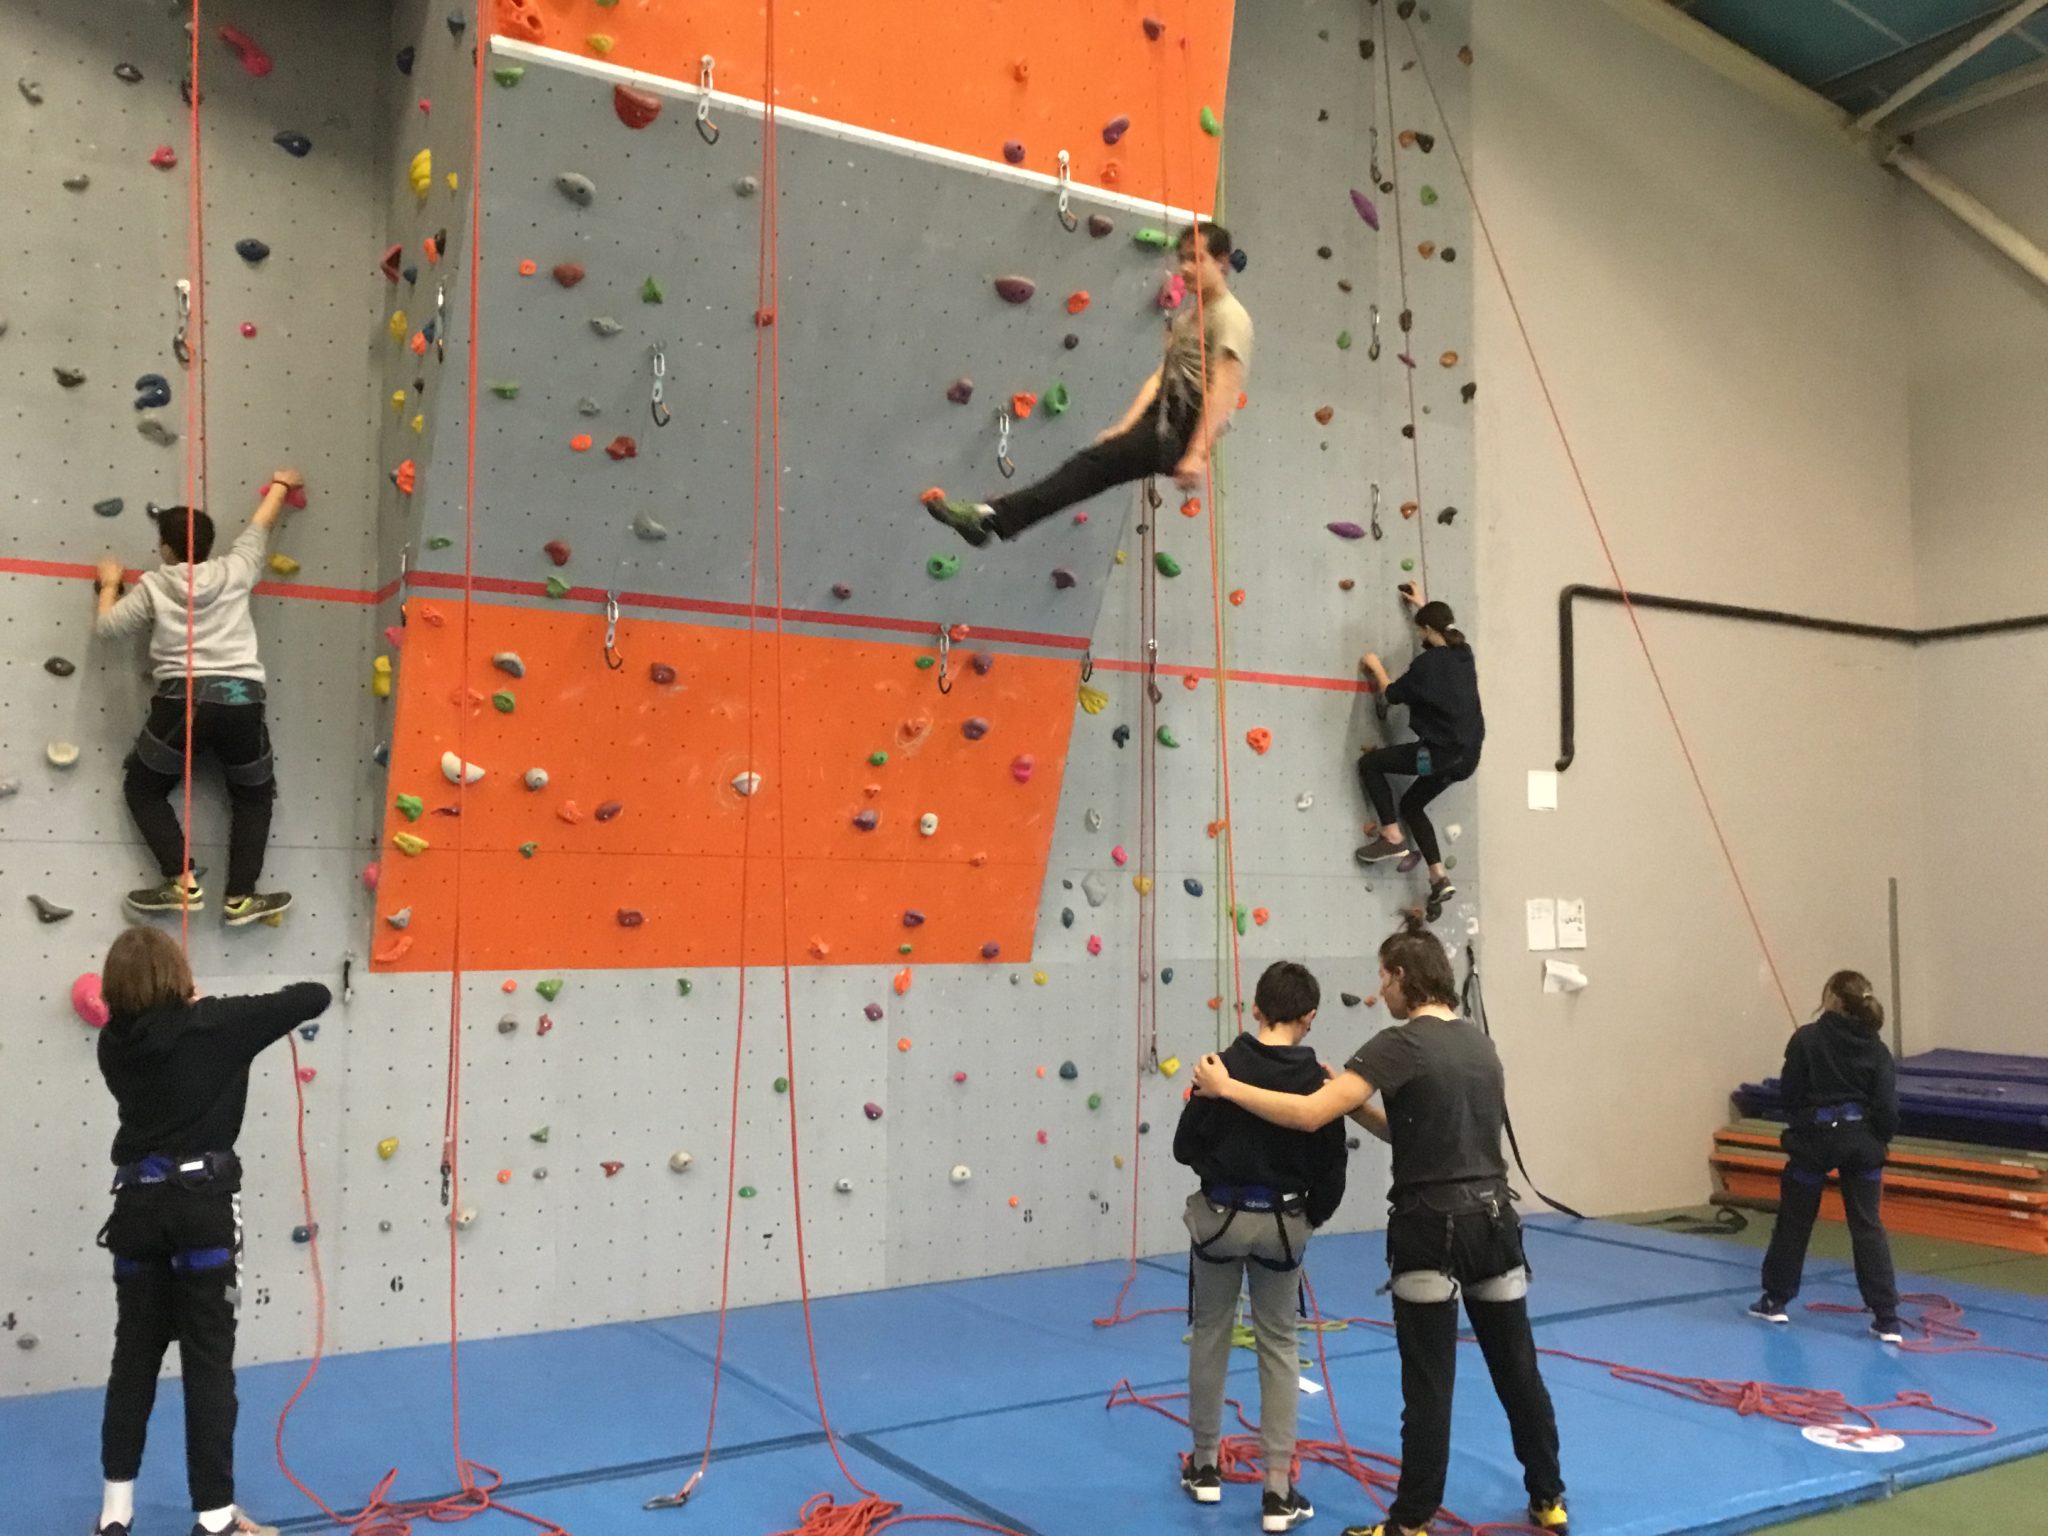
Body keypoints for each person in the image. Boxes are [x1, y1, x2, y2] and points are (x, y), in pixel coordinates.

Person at [1192, 919, 1568, 1536]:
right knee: (1518, 1369)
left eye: (1383, 977)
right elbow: (1415, 1131)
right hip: (1496, 1223)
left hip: (1432, 1229)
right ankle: (1548, 1497)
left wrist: (1227, 1087)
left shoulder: (1399, 1044)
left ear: (1400, 977)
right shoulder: (1479, 1044)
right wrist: (1361, 1107)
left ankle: (1411, 1522)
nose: (1379, 990)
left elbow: (1309, 1115)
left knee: (1428, 1383)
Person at [92, 925, 333, 1536]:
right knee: (207, 1362)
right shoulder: (217, 1025)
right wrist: (204, 1006)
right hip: (200, 1210)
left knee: (133, 1359)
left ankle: (114, 1514)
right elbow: (314, 996)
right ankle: (216, 1517)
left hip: (136, 1213)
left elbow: (164, 1039)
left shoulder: (113, 1044)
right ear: (178, 976)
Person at [923, 222, 1252, 546]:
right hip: (1163, 418)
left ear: (1222, 262)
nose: (1186, 268)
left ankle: (991, 517)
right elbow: (1159, 378)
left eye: (1197, 258)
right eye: (1182, 259)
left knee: (1089, 468)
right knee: (1091, 469)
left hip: (1183, 428)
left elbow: (1224, 391)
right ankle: (993, 519)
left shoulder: (1230, 317)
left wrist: (1197, 453)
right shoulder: (1188, 318)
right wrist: (1125, 427)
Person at [1173, 961, 1349, 1533]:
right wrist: (1310, 1217)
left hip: (1220, 1220)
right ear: (1309, 1017)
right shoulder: (1319, 1083)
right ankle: (1277, 1489)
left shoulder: (1218, 1069)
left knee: (1211, 1331)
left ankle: (1204, 1466)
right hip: (1283, 1224)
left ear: (1254, 1008)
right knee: (1278, 1343)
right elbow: (1332, 1166)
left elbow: (1184, 1147)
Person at [94, 473, 304, 925]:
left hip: (183, 703)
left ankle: (180, 881)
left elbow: (108, 629)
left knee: (143, 788)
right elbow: (260, 525)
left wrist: (109, 585)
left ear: (166, 548)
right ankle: (241, 897)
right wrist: (282, 485)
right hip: (241, 702)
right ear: (209, 544)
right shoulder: (236, 568)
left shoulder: (155, 585)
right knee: (253, 796)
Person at [1750, 971, 1902, 1341]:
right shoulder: (1876, 1048)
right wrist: (1876, 1141)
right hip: (1861, 1142)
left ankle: (1775, 1300)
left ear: (1831, 997)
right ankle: (1887, 1318)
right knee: (1867, 1225)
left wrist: (1804, 1127)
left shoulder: (1807, 1039)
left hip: (1815, 1142)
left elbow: (1790, 1095)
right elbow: (1887, 1107)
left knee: (1795, 1220)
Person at [1356, 586, 1482, 922]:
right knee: (1412, 805)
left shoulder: (1427, 666)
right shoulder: (1464, 653)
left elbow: (1392, 693)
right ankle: (1439, 878)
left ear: (1426, 630)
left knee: (1370, 765)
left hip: (1435, 757)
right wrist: (1421, 606)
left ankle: (1391, 835)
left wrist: (1375, 666)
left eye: (1421, 631)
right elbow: (1442, 629)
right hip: (1465, 760)